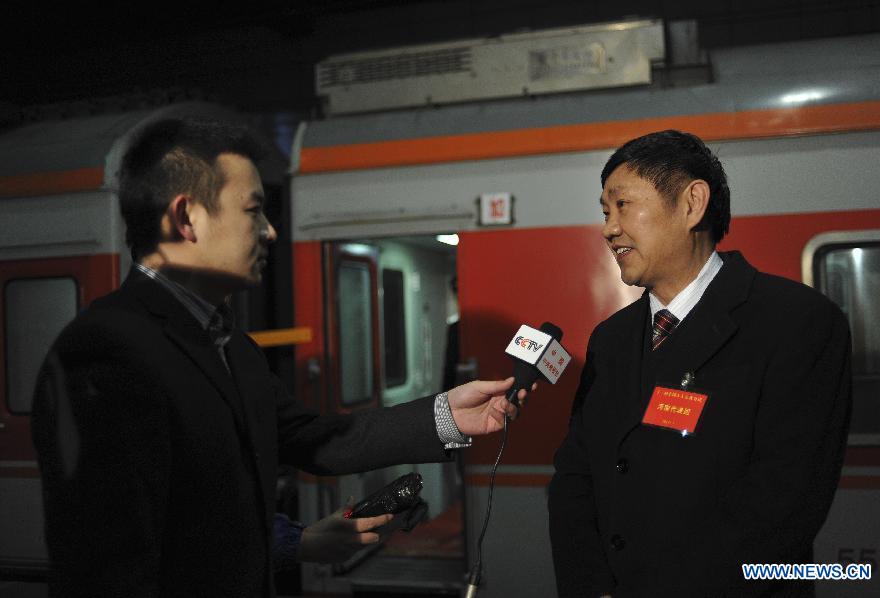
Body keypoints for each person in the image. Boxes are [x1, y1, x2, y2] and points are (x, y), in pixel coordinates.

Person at [31, 118, 528, 598]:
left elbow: (313, 440)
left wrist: (445, 416)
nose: (269, 232)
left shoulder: (231, 347)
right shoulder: (106, 352)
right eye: (253, 210)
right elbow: (110, 567)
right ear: (186, 218)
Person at [548, 130, 851, 597]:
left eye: (623, 205)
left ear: (692, 203)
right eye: (605, 212)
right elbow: (576, 477)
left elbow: (783, 505)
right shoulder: (611, 339)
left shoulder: (796, 322)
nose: (609, 228)